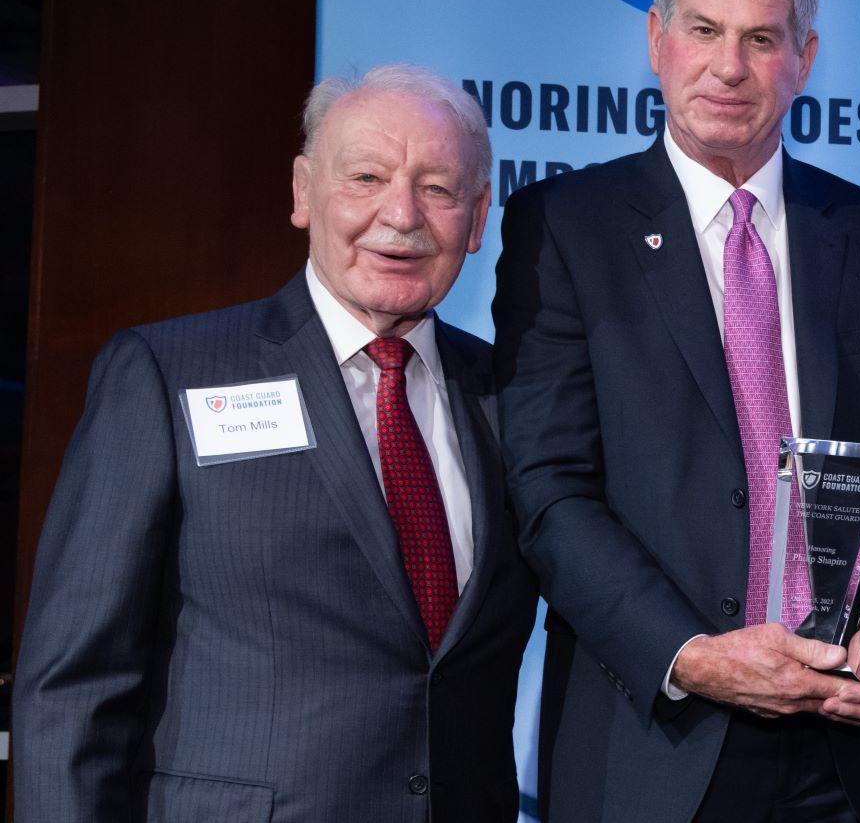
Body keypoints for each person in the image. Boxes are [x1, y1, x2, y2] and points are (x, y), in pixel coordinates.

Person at [493, 0, 860, 823]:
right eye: (704, 30)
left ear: (805, 58)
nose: (729, 66)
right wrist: (695, 655)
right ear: (657, 40)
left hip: (844, 744)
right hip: (652, 735)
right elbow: (548, 489)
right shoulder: (566, 228)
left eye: (761, 38)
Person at [13, 65, 537, 823]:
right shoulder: (167, 374)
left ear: (479, 216)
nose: (401, 215)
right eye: (366, 178)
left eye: (437, 188)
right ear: (303, 192)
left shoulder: (514, 396)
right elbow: (73, 685)